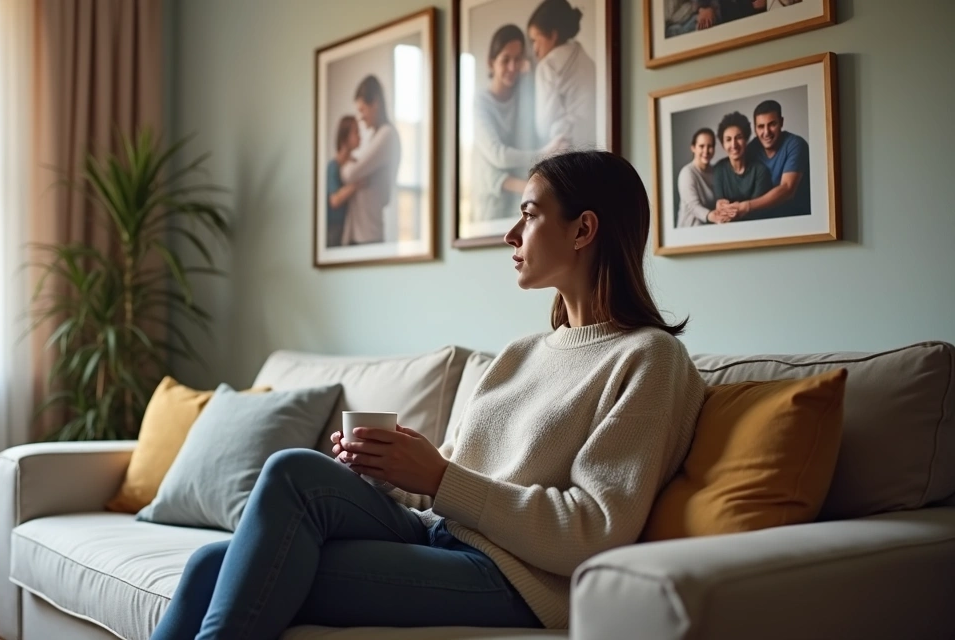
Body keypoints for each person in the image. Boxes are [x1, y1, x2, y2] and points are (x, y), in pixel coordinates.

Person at [150, 150, 706, 638]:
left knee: (219, 568)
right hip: (439, 537)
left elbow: (593, 529)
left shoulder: (648, 359)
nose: (511, 235)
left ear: (584, 230)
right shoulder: (522, 353)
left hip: (514, 582)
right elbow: (454, 478)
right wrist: (392, 467)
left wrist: (440, 479)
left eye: (530, 214)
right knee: (258, 509)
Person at [472, 24, 541, 222]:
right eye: (505, 60)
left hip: (523, 206)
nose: (513, 67)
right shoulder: (480, 103)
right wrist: (544, 153)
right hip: (491, 209)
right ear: (491, 62)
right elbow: (498, 156)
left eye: (518, 59)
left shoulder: (524, 95)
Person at [721, 99, 810, 220]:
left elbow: (787, 189)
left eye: (772, 124)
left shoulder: (796, 145)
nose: (766, 132)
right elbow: (738, 181)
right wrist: (722, 203)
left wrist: (746, 206)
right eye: (761, 126)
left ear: (781, 122)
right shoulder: (752, 148)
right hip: (763, 223)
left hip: (798, 220)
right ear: (755, 128)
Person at [528, 0, 596, 152]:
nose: (534, 48)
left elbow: (543, 126)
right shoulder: (588, 61)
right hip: (591, 149)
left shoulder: (547, 66)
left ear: (552, 35)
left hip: (562, 152)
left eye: (535, 40)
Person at [340, 75, 401, 245]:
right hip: (359, 232)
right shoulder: (374, 136)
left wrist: (345, 164)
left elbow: (351, 173)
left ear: (375, 103)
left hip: (368, 234)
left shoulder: (386, 135)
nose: (360, 117)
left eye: (362, 110)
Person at [710, 111, 772, 223]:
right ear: (723, 144)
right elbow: (721, 205)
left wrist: (734, 212)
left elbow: (756, 211)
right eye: (728, 140)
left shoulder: (760, 171)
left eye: (738, 137)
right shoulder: (718, 169)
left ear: (746, 140)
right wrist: (723, 208)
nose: (734, 145)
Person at [326, 115, 360, 247]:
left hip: (352, 227)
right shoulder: (333, 167)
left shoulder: (356, 165)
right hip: (335, 229)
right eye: (356, 132)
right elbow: (334, 200)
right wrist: (355, 185)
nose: (359, 136)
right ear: (345, 136)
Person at [676, 127, 717, 227]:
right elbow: (693, 206)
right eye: (701, 146)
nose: (706, 151)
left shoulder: (715, 171)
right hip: (688, 233)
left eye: (710, 146)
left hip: (709, 232)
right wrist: (714, 216)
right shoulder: (687, 172)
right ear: (693, 148)